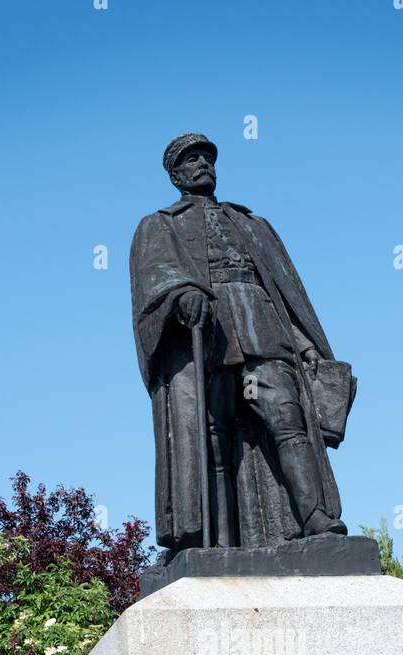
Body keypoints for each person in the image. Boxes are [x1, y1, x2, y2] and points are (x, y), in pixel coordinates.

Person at [130, 132, 352, 550]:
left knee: (287, 420)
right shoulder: (159, 225)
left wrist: (304, 344)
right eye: (190, 161)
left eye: (206, 158)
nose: (201, 165)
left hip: (263, 334)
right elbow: (154, 278)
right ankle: (221, 542)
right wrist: (181, 294)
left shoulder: (251, 223)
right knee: (213, 439)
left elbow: (283, 291)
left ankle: (316, 518)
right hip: (209, 343)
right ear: (175, 176)